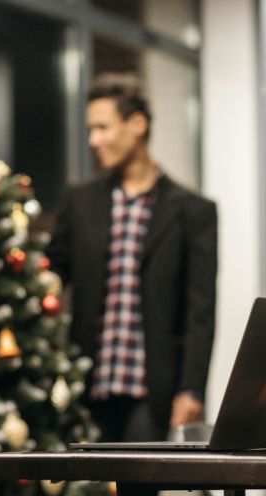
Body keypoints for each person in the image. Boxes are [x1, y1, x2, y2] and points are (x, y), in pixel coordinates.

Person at [49, 72, 217, 442]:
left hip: (152, 393)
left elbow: (200, 312)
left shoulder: (193, 211)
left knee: (141, 481)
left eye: (102, 128)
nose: (94, 140)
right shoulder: (79, 202)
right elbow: (51, 272)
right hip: (87, 387)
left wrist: (192, 389)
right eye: (91, 130)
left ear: (137, 124)